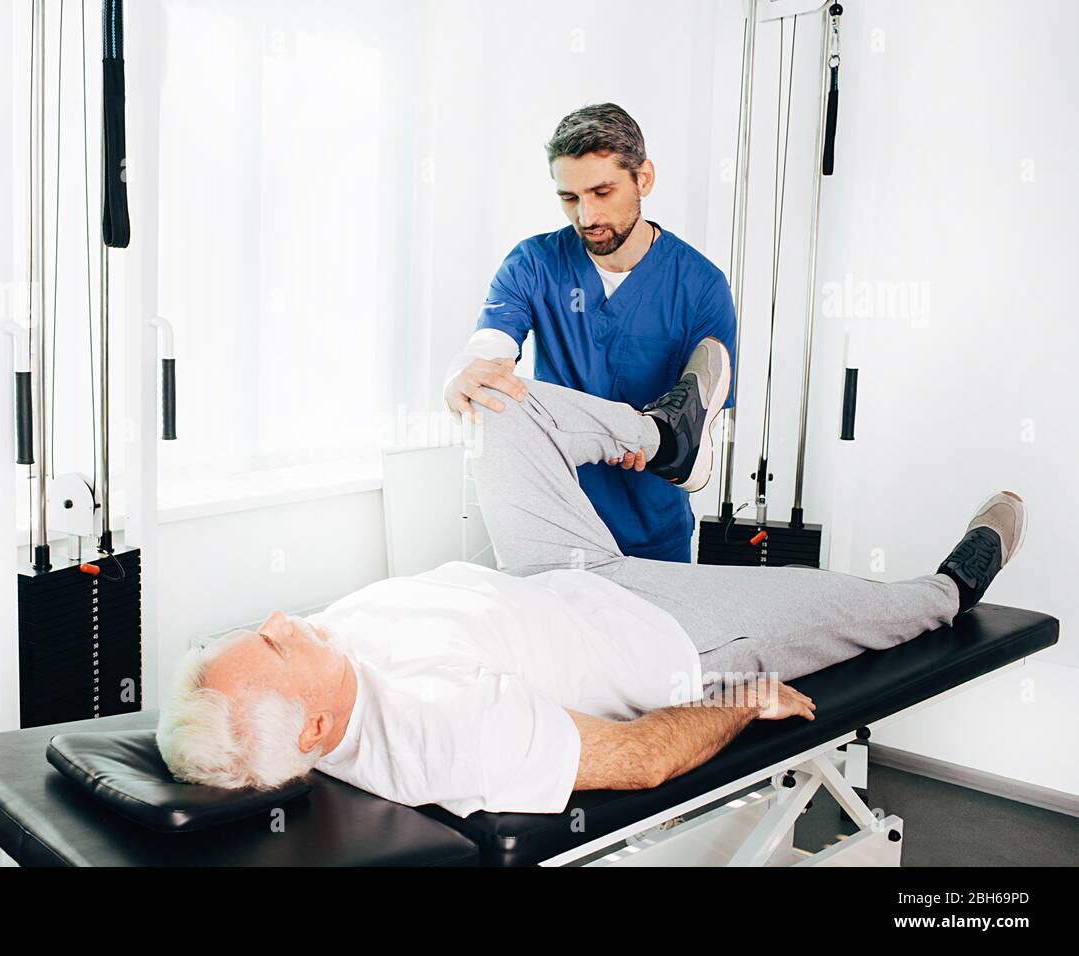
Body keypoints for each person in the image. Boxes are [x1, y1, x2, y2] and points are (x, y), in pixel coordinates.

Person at [158, 339, 1027, 817]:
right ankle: (951, 587)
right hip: (668, 631)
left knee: (497, 401)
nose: (279, 615)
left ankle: (667, 437)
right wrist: (734, 700)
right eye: (272, 639)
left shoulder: (322, 665)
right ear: (314, 725)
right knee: (870, 605)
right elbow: (638, 762)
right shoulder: (441, 732)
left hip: (551, 573)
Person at [443, 103, 738, 563]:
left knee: (657, 637)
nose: (585, 216)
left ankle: (658, 439)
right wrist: (463, 374)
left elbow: (713, 410)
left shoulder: (700, 285)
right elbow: (492, 346)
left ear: (644, 178)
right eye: (570, 198)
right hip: (559, 524)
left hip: (653, 531)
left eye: (602, 192)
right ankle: (651, 432)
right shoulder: (534, 264)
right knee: (490, 393)